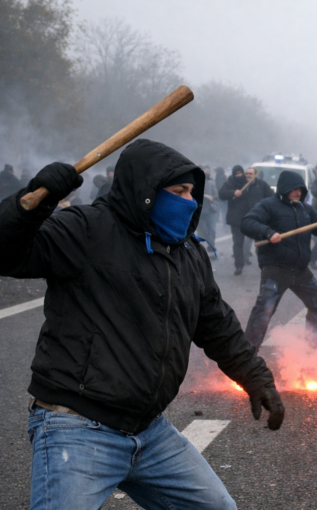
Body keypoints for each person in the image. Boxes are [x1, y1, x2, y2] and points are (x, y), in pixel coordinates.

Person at [0, 139, 284, 509]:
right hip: (76, 427)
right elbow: (7, 254)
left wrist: (256, 376)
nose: (191, 201)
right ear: (147, 191)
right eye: (179, 191)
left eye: (192, 192)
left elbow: (216, 324)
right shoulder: (86, 229)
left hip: (149, 430)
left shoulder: (187, 252)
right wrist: (30, 205)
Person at [241, 171, 317, 352]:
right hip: (276, 269)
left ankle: (313, 343)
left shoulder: (304, 209)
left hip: (300, 269)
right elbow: (247, 222)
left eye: (300, 188)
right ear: (284, 188)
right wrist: (268, 232)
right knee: (264, 311)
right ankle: (247, 353)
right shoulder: (268, 205)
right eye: (293, 188)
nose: (297, 192)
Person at [218, 165, 274, 275]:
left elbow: (271, 196)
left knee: (261, 243)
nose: (246, 176)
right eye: (246, 174)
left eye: (249, 174)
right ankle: (239, 265)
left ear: (255, 175)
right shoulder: (233, 183)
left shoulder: (260, 185)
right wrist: (233, 193)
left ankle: (265, 265)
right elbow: (221, 193)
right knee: (238, 243)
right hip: (237, 219)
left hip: (256, 219)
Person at [196, 166, 219, 255]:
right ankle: (199, 248)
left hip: (210, 210)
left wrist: (212, 198)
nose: (206, 173)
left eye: (208, 171)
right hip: (200, 210)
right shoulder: (195, 182)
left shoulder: (211, 182)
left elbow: (215, 195)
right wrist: (205, 196)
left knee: (212, 229)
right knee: (202, 230)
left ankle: (211, 246)